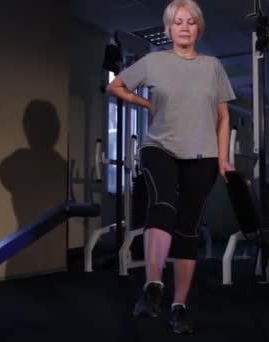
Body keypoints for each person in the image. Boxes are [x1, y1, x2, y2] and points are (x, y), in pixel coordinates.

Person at [106, 0, 236, 335]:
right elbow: (115, 85)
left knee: (188, 227)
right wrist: (146, 103)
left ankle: (179, 306)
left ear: (198, 28)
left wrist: (222, 158)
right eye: (177, 22)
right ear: (168, 28)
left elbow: (223, 117)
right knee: (162, 206)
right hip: (159, 146)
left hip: (202, 155)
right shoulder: (154, 62)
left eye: (191, 22)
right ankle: (153, 286)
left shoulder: (213, 66)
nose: (184, 27)